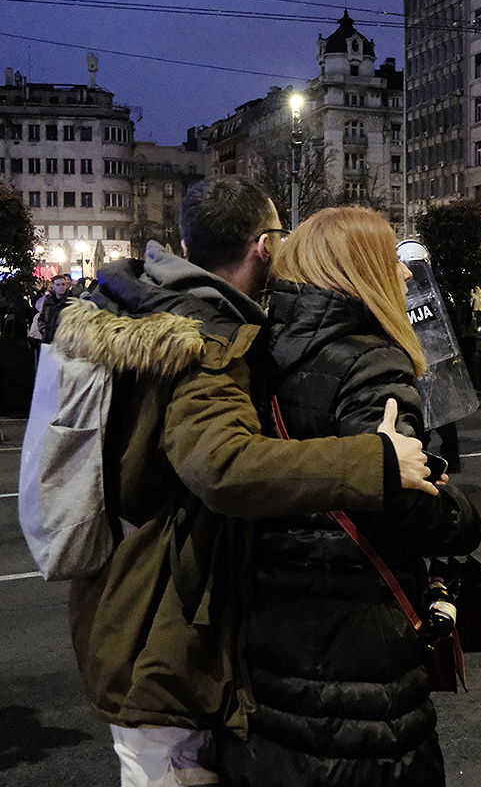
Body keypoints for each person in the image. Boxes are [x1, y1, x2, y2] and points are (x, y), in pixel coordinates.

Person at [53, 176, 435, 787]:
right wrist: (375, 462)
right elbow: (221, 466)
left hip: (132, 604)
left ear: (184, 242)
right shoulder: (203, 335)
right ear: (265, 245)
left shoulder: (146, 309)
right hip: (161, 630)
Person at [216, 206, 481, 786]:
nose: (406, 274)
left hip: (273, 626)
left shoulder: (264, 353)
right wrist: (462, 517)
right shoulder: (372, 361)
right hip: (360, 646)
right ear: (359, 270)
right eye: (391, 259)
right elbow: (395, 500)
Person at [38, 273, 70, 343]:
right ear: (53, 287)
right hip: (48, 339)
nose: (61, 287)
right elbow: (41, 318)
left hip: (64, 341)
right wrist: (43, 329)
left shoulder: (70, 301)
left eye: (63, 284)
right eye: (58, 285)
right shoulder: (48, 301)